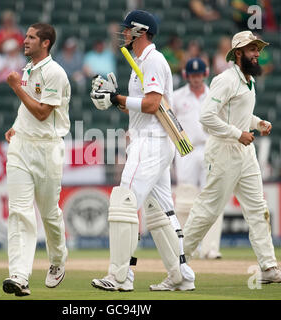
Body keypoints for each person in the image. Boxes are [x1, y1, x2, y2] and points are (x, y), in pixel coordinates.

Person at [90, 10, 195, 292]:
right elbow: (143, 106)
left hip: (152, 141)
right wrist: (116, 102)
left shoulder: (153, 60)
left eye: (127, 29)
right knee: (161, 211)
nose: (123, 33)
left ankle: (121, 276)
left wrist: (117, 97)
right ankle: (181, 275)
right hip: (147, 139)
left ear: (140, 31)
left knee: (125, 201)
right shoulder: (142, 61)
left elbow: (151, 103)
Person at [182, 30, 281, 284]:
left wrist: (257, 122)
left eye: (258, 49)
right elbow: (207, 116)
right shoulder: (226, 79)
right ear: (238, 53)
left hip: (245, 153)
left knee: (258, 210)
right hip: (223, 151)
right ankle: (177, 264)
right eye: (252, 49)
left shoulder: (248, 79)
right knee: (208, 211)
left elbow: (238, 114)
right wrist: (237, 133)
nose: (257, 54)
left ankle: (268, 268)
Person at [2, 23, 70, 297]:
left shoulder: (55, 72)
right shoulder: (28, 69)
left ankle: (57, 260)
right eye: (26, 36)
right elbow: (28, 111)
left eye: (31, 37)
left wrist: (17, 88)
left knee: (49, 213)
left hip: (47, 150)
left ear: (45, 43)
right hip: (21, 147)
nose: (25, 40)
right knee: (19, 211)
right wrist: (16, 126)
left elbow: (42, 113)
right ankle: (19, 275)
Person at [172, 58, 223, 260]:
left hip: (210, 146)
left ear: (206, 73)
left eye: (198, 75)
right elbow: (171, 125)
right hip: (186, 149)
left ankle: (211, 248)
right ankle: (186, 248)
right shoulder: (177, 97)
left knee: (212, 197)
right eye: (192, 75)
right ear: (186, 75)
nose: (195, 79)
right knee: (185, 199)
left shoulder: (215, 96)